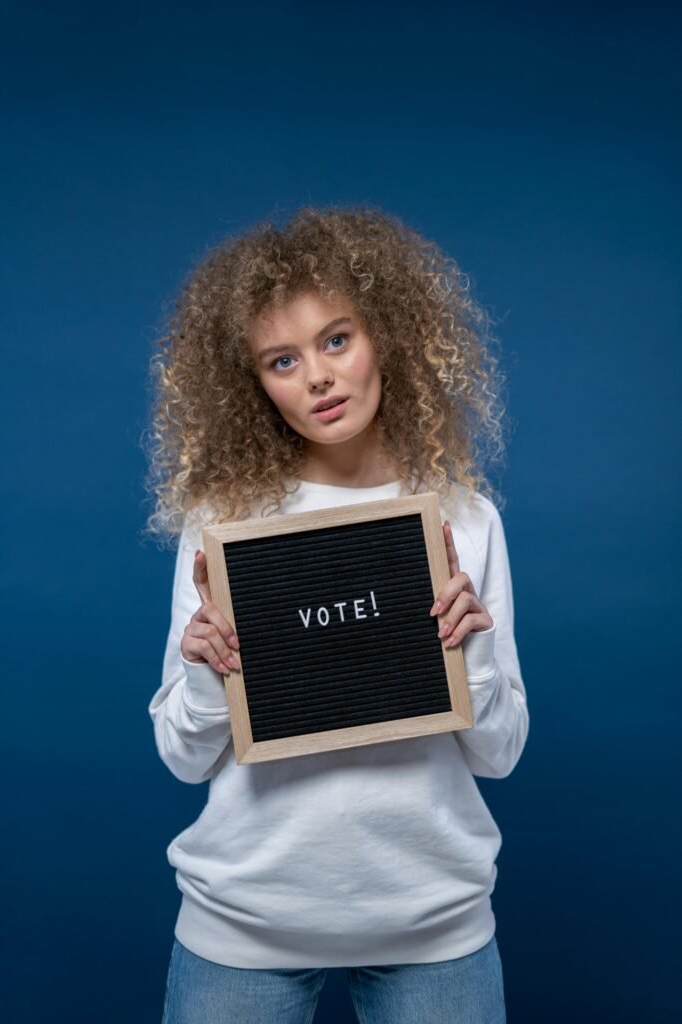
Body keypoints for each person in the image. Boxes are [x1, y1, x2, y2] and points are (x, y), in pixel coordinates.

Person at [143, 204, 530, 1023]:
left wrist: (471, 651)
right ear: (252, 385)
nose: (317, 376)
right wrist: (207, 666)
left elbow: (497, 754)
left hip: (433, 921)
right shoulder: (228, 523)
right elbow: (182, 757)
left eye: (335, 340)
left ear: (385, 335)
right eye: (281, 360)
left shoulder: (463, 518)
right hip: (244, 922)